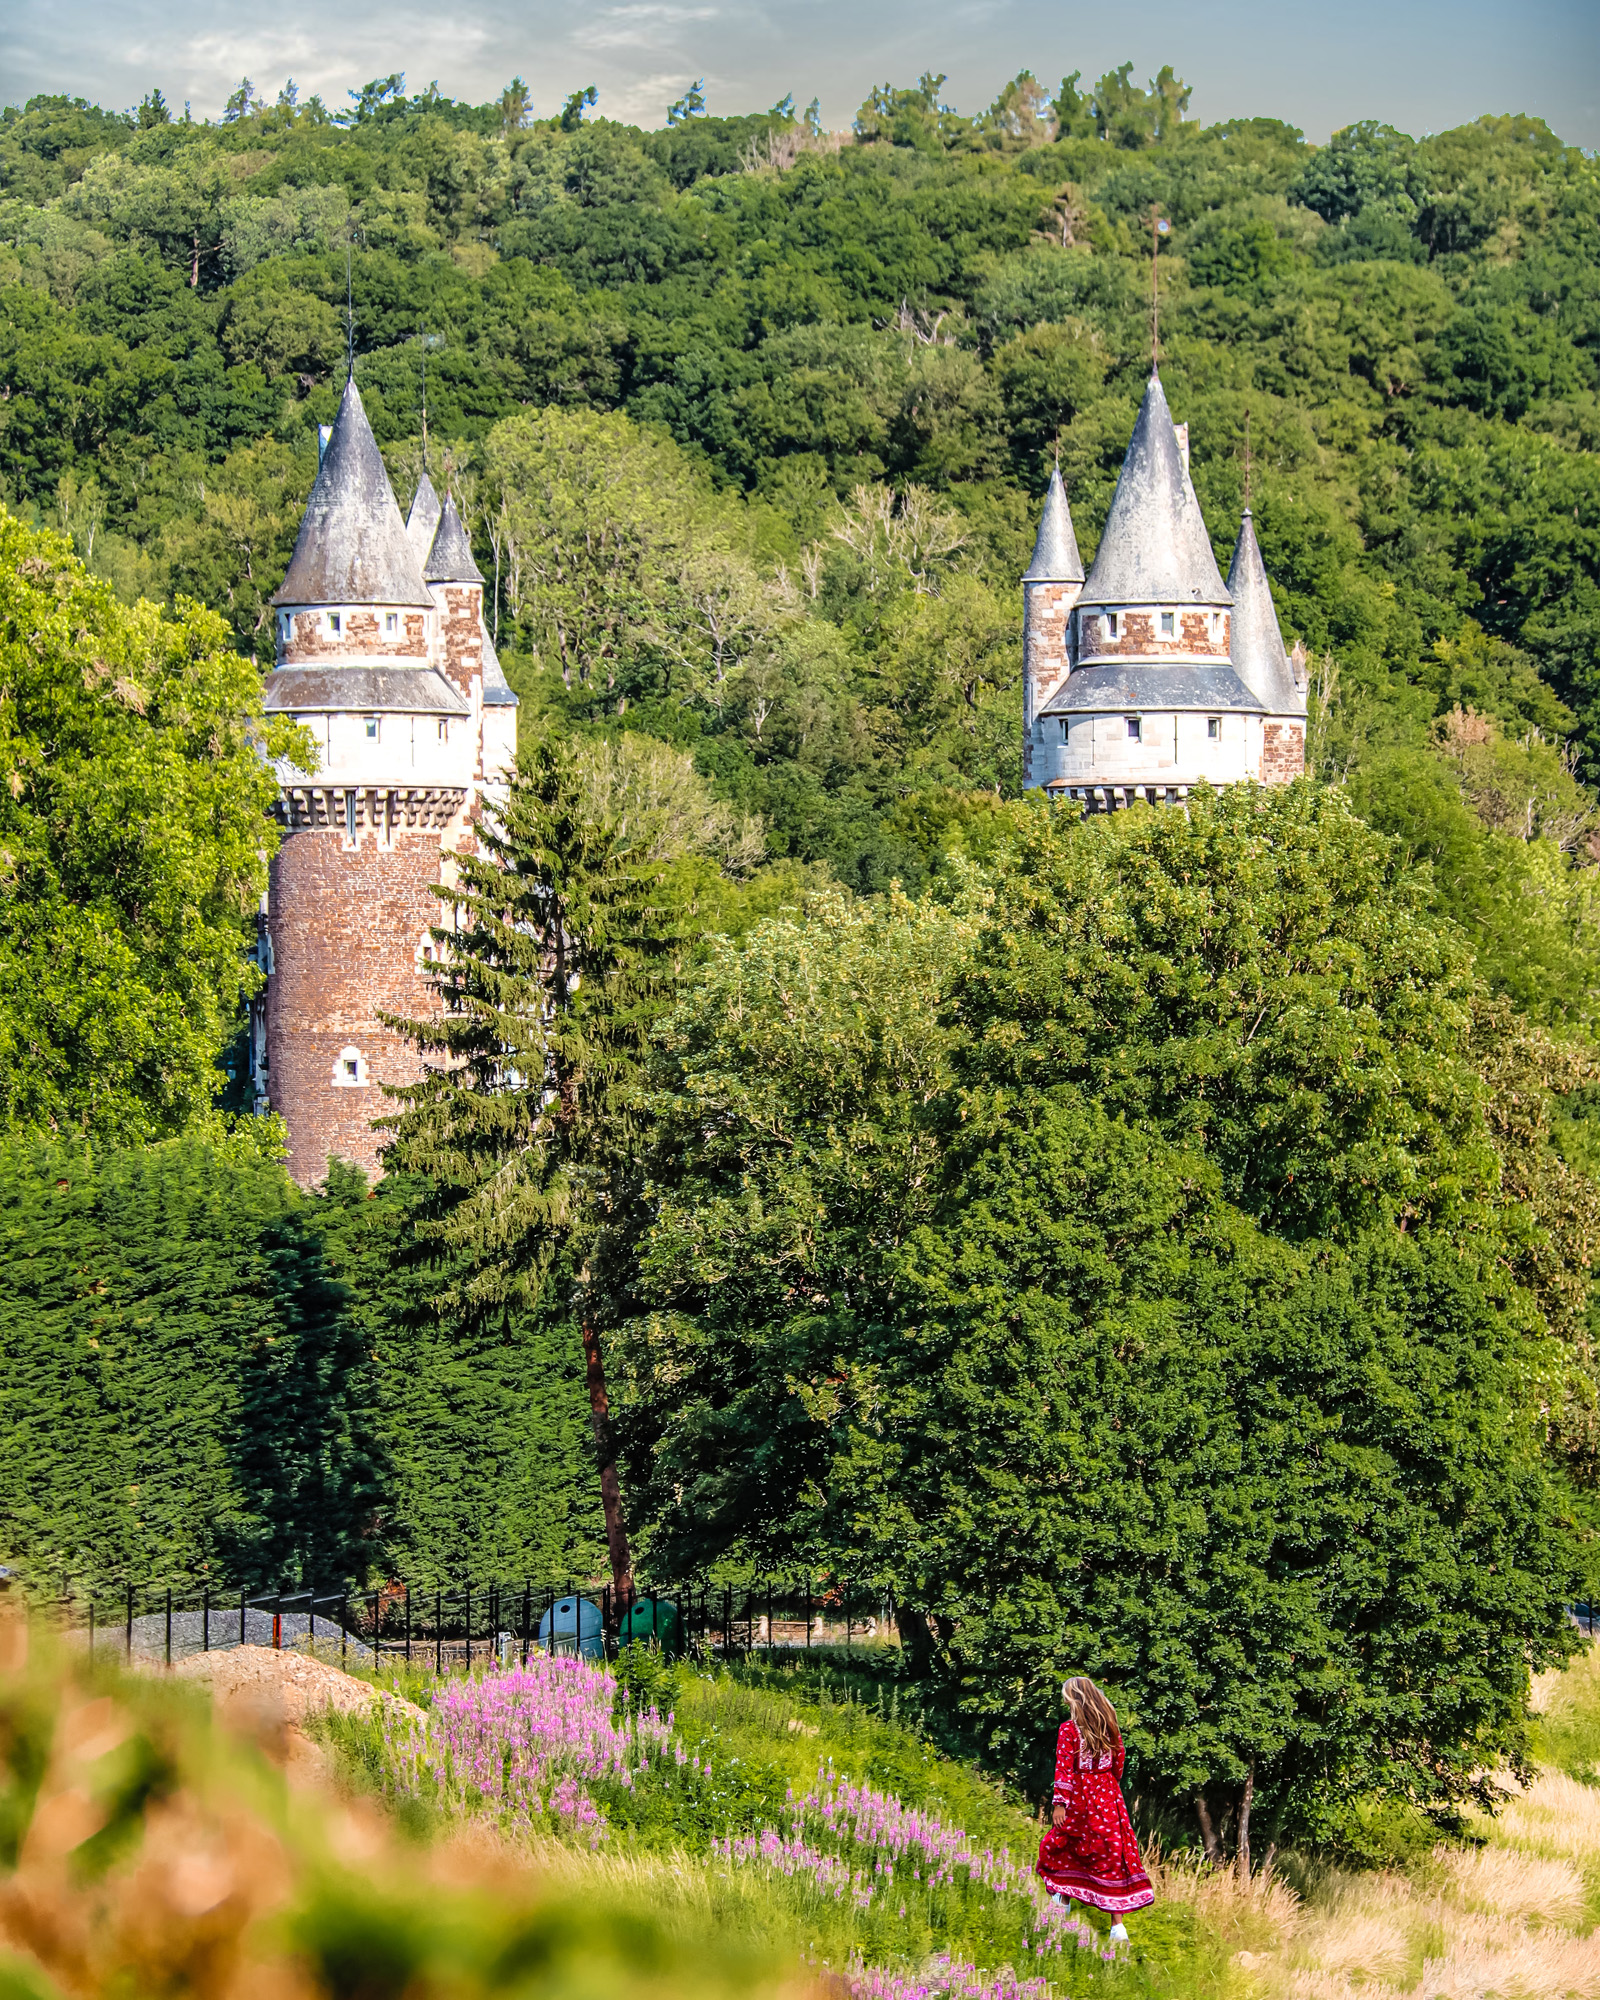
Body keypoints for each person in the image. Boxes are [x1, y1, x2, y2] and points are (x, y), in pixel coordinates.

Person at [1037, 1675, 1154, 1941]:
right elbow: (1119, 1762)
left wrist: (1059, 1803)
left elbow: (1064, 1768)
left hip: (1079, 1795)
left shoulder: (1069, 1730)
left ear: (1075, 1700)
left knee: (1065, 1846)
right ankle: (1117, 1927)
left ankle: (1061, 1906)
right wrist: (1108, 1787)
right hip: (1108, 1795)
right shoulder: (1110, 1726)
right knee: (1110, 1853)